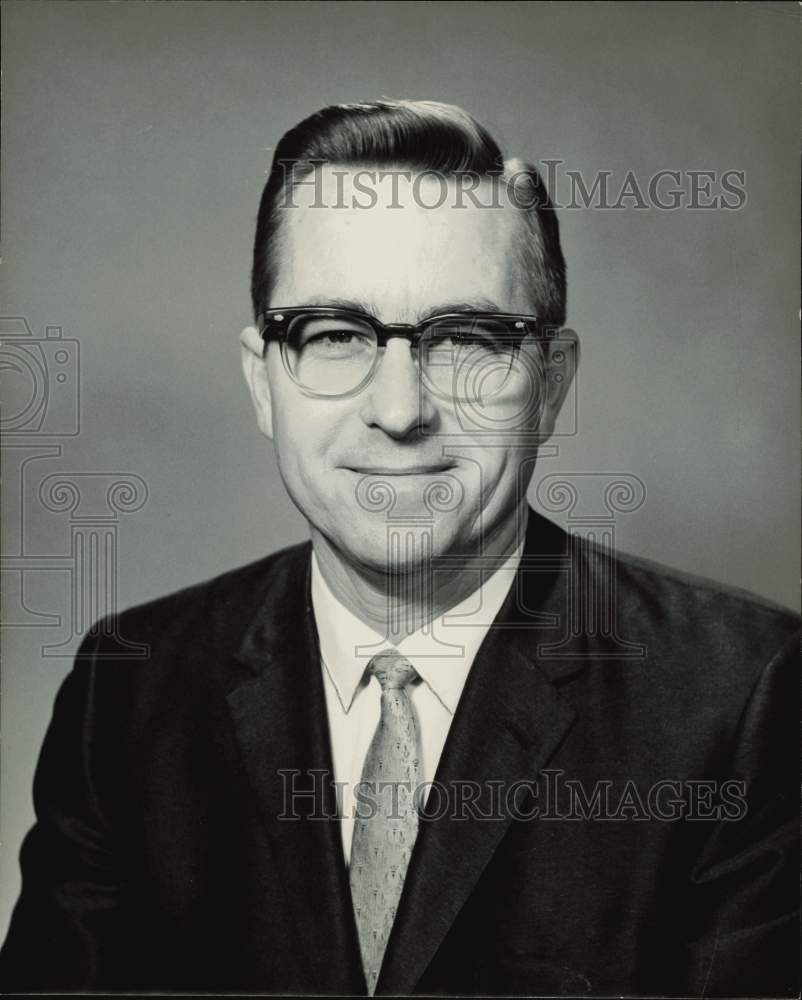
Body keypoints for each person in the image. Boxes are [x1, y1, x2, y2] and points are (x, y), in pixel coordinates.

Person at [1, 99, 798, 997]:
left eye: (466, 339)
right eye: (334, 335)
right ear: (263, 382)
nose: (400, 409)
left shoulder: (744, 699)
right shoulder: (129, 691)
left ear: (551, 386)